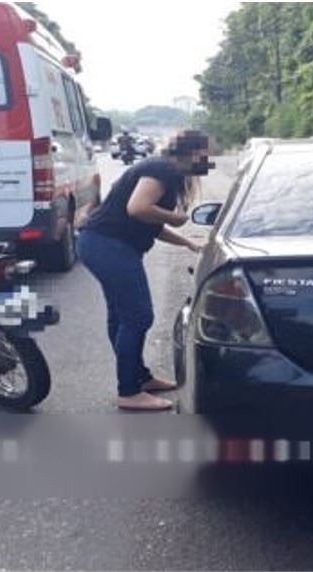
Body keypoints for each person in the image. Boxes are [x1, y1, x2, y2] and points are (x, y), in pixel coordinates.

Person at [77, 130, 215, 410]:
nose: (208, 160)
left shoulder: (162, 168)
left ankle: (139, 377)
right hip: (109, 247)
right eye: (206, 154)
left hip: (101, 244)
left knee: (121, 315)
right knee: (138, 316)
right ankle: (129, 392)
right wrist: (175, 218)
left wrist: (187, 242)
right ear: (194, 152)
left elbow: (150, 224)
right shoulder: (164, 169)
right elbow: (138, 208)